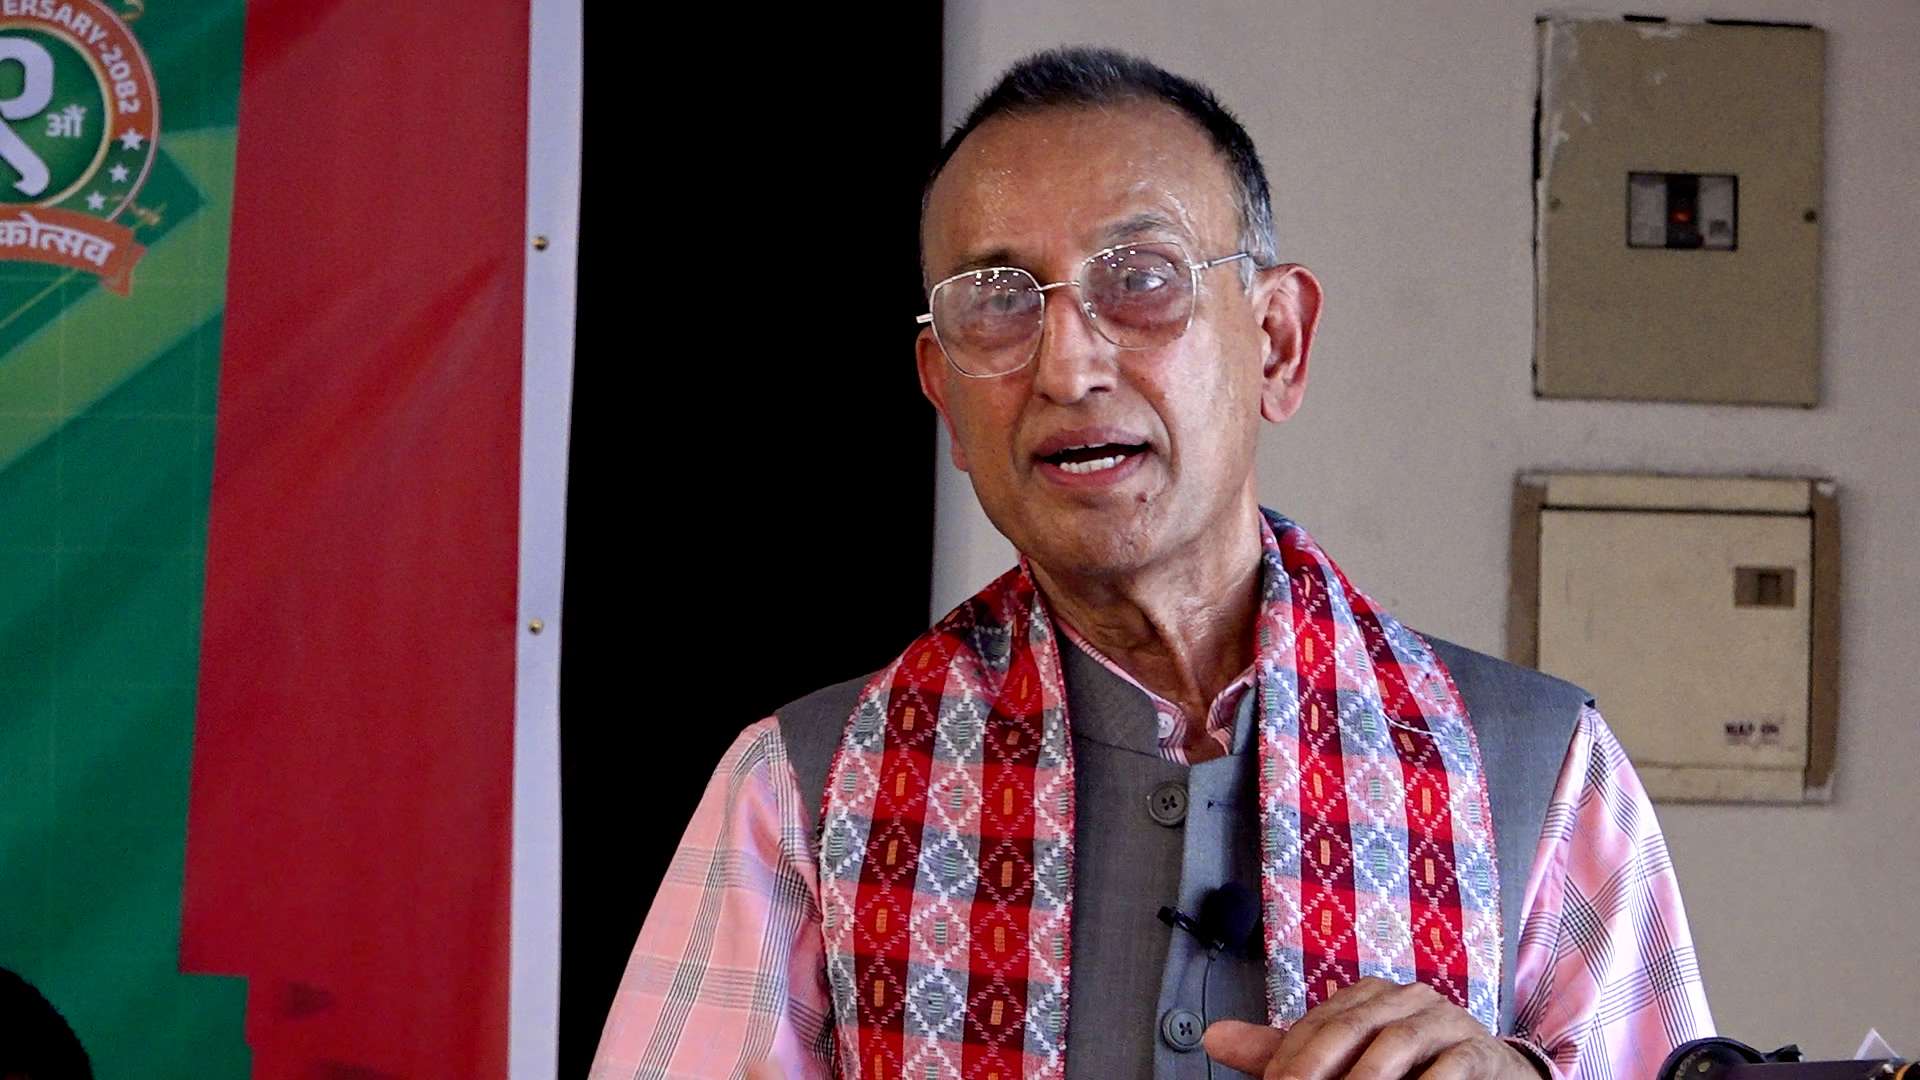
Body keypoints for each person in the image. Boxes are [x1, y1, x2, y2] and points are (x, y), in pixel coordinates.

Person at [591, 47, 1712, 1080]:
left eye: (1141, 278)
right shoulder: (801, 789)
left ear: (1277, 343)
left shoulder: (1542, 770)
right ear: (941, 391)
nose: (1067, 366)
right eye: (997, 304)